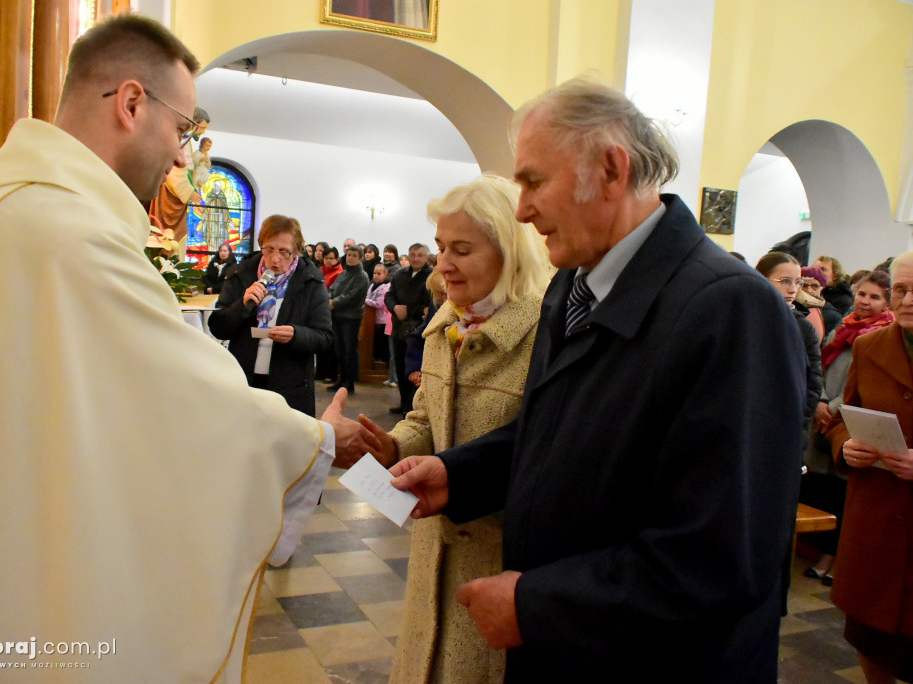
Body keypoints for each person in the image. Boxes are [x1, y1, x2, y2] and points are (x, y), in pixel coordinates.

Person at [0, 16, 377, 682]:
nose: (183, 157)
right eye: (183, 131)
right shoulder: (68, 234)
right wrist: (316, 443)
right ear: (130, 103)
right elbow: (183, 400)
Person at [389, 77, 806, 682]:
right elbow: (553, 432)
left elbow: (722, 555)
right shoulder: (573, 285)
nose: (523, 208)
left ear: (611, 169)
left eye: (534, 181)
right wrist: (461, 472)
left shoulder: (729, 308)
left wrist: (538, 606)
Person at [348, 175, 551, 683]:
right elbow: (425, 415)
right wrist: (392, 444)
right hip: (433, 552)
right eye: (440, 247)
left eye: (461, 249)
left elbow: (546, 453)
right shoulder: (447, 323)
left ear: (510, 251)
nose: (443, 264)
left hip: (500, 562)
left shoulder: (546, 337)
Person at [826, 254, 913, 684]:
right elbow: (844, 415)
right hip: (877, 524)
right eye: (901, 290)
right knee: (872, 642)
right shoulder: (869, 345)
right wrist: (847, 446)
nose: (908, 300)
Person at [803, 270, 893, 586]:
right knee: (821, 490)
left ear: (886, 302)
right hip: (824, 415)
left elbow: (864, 383)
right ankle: (822, 551)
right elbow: (821, 365)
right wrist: (820, 402)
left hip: (848, 420)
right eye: (863, 294)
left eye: (874, 297)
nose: (865, 301)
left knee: (843, 495)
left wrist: (835, 407)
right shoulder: (842, 327)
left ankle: (834, 557)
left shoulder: (881, 335)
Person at [208, 215, 333, 416]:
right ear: (261, 245)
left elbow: (324, 338)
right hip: (243, 380)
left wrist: (296, 335)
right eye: (269, 249)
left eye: (284, 251)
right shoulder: (240, 274)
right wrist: (241, 305)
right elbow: (218, 327)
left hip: (289, 384)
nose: (275, 259)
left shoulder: (311, 282)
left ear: (297, 251)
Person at [755, 252, 823, 434]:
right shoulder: (742, 319)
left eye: (797, 282)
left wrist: (797, 422)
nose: (793, 289)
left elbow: (813, 383)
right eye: (785, 281)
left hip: (785, 425)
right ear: (761, 279)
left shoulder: (803, 327)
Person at [149, 106, 210, 246]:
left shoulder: (186, 142)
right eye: (202, 128)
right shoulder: (179, 141)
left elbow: (188, 168)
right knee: (168, 238)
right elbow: (175, 172)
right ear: (194, 123)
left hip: (178, 197)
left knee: (178, 236)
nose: (203, 132)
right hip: (170, 196)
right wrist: (190, 193)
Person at [385, 243, 433, 414]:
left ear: (427, 256)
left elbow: (429, 305)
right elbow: (389, 294)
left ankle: (414, 408)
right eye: (412, 254)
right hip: (399, 327)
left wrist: (413, 310)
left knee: (416, 369)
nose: (415, 258)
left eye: (420, 255)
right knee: (400, 366)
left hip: (418, 329)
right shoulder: (400, 273)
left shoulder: (431, 276)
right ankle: (403, 402)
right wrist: (395, 307)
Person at [327, 245, 369, 395]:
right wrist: (329, 297)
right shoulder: (344, 273)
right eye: (349, 254)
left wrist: (335, 302)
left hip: (351, 318)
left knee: (349, 350)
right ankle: (341, 379)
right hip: (338, 316)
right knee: (339, 350)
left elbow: (353, 295)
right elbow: (333, 287)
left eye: (354, 255)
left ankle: (349, 382)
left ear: (360, 258)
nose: (350, 257)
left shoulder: (362, 276)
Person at [365, 263, 392, 366]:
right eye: (374, 273)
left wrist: (365, 300)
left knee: (382, 345)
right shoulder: (372, 285)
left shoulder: (386, 287)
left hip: (382, 320)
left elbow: (379, 303)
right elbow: (369, 298)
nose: (375, 275)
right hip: (371, 319)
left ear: (385, 274)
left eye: (379, 273)